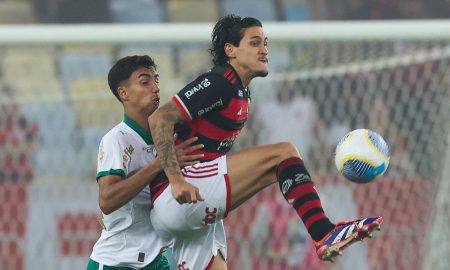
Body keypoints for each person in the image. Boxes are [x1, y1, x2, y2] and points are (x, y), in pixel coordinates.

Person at [148, 14, 383, 269]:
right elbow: (159, 119)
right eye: (255, 43)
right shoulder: (218, 83)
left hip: (193, 203)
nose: (264, 50)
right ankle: (323, 231)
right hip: (178, 193)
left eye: (265, 43)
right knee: (284, 153)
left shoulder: (242, 91)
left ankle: (323, 233)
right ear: (231, 50)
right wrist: (176, 179)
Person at [87, 55, 204, 270]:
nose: (156, 88)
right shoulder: (117, 139)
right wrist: (161, 163)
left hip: (155, 260)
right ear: (124, 93)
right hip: (118, 262)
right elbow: (106, 200)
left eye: (156, 80)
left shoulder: (169, 135)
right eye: (145, 81)